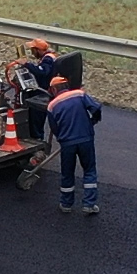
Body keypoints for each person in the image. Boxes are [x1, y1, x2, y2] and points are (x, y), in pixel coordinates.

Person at [45, 74, 103, 215]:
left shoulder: (52, 106)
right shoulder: (79, 94)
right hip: (85, 139)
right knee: (89, 170)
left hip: (67, 143)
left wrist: (62, 139)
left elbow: (54, 128)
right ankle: (89, 204)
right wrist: (93, 121)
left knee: (67, 173)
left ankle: (66, 204)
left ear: (54, 89)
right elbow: (96, 108)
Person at [16, 39, 57, 139]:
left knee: (36, 119)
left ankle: (37, 140)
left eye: (33, 50)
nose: (32, 53)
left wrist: (26, 64)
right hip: (45, 91)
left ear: (38, 50)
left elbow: (42, 72)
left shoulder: (48, 59)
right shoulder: (50, 57)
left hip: (42, 94)